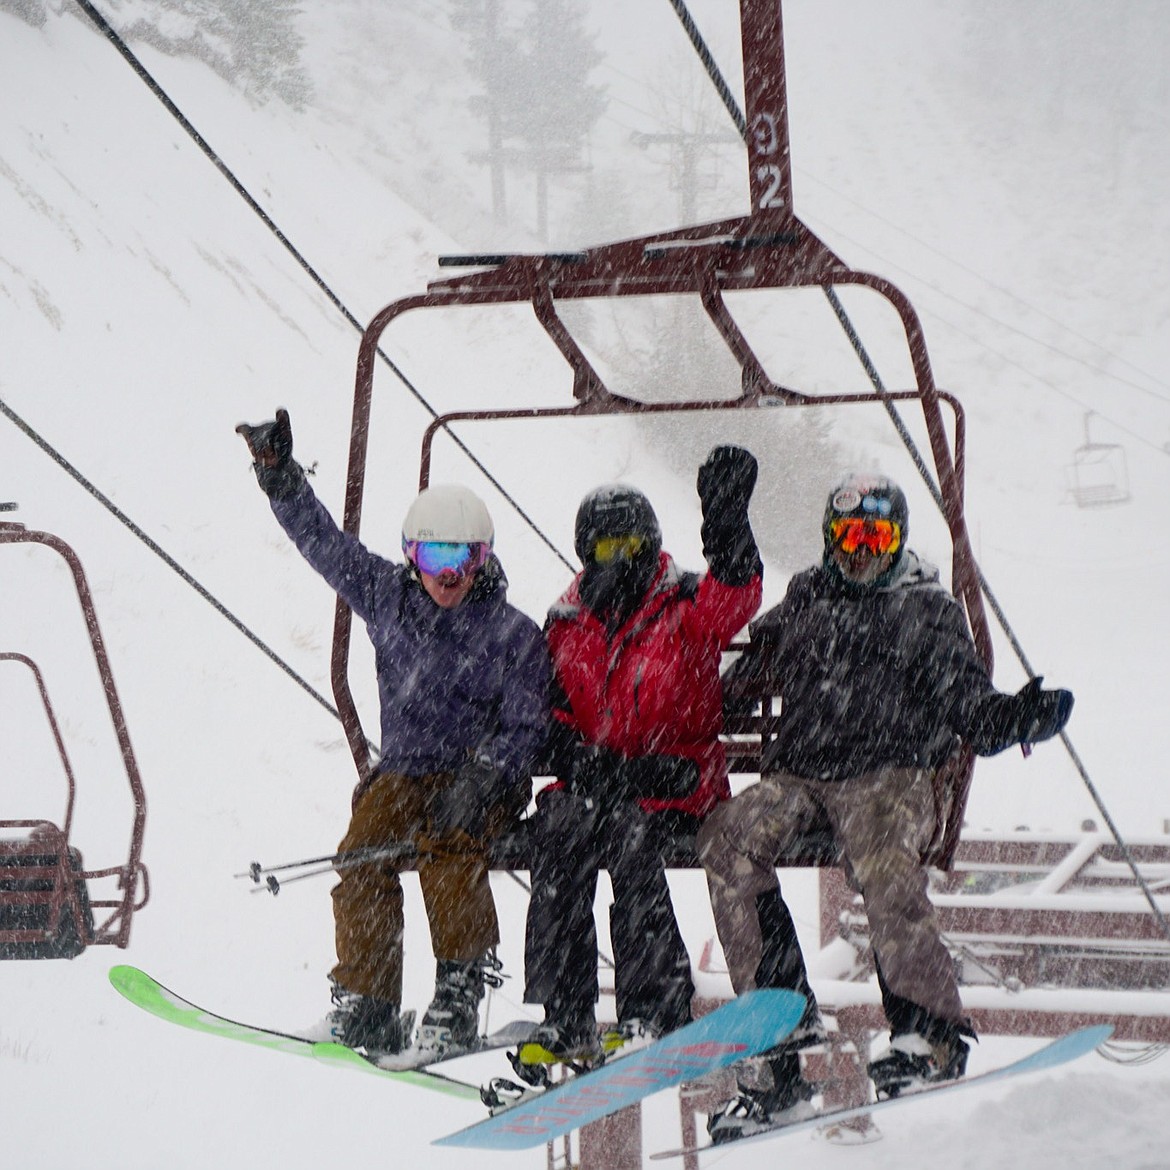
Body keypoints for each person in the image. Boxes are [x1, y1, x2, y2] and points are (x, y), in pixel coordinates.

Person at [698, 471, 1074, 1140]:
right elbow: (739, 678)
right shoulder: (807, 597)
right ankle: (777, 1023)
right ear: (828, 537)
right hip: (806, 776)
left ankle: (928, 1033)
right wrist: (699, 695)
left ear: (898, 541)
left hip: (893, 774)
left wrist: (1016, 718)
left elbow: (969, 704)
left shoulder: (925, 609)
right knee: (729, 836)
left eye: (877, 536)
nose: (861, 550)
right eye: (849, 535)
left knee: (880, 855)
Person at [236, 409, 549, 1057]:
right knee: (361, 854)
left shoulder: (509, 632)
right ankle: (371, 1000)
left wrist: (491, 772)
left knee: (447, 842)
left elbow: (527, 721)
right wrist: (281, 480)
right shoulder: (386, 596)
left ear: (482, 559)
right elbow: (324, 545)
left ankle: (459, 991)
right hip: (407, 772)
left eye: (463, 558)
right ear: (413, 557)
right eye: (434, 556)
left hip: (480, 776)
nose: (448, 574)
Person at [518, 445, 764, 1067]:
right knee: (559, 834)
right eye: (605, 549)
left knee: (629, 837)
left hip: (675, 784)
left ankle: (652, 1006)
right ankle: (566, 1013)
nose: (619, 560)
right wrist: (577, 759)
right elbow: (552, 715)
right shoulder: (568, 622)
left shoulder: (683, 604)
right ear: (585, 554)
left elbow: (735, 599)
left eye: (631, 546)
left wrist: (728, 524)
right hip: (605, 788)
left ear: (651, 544)